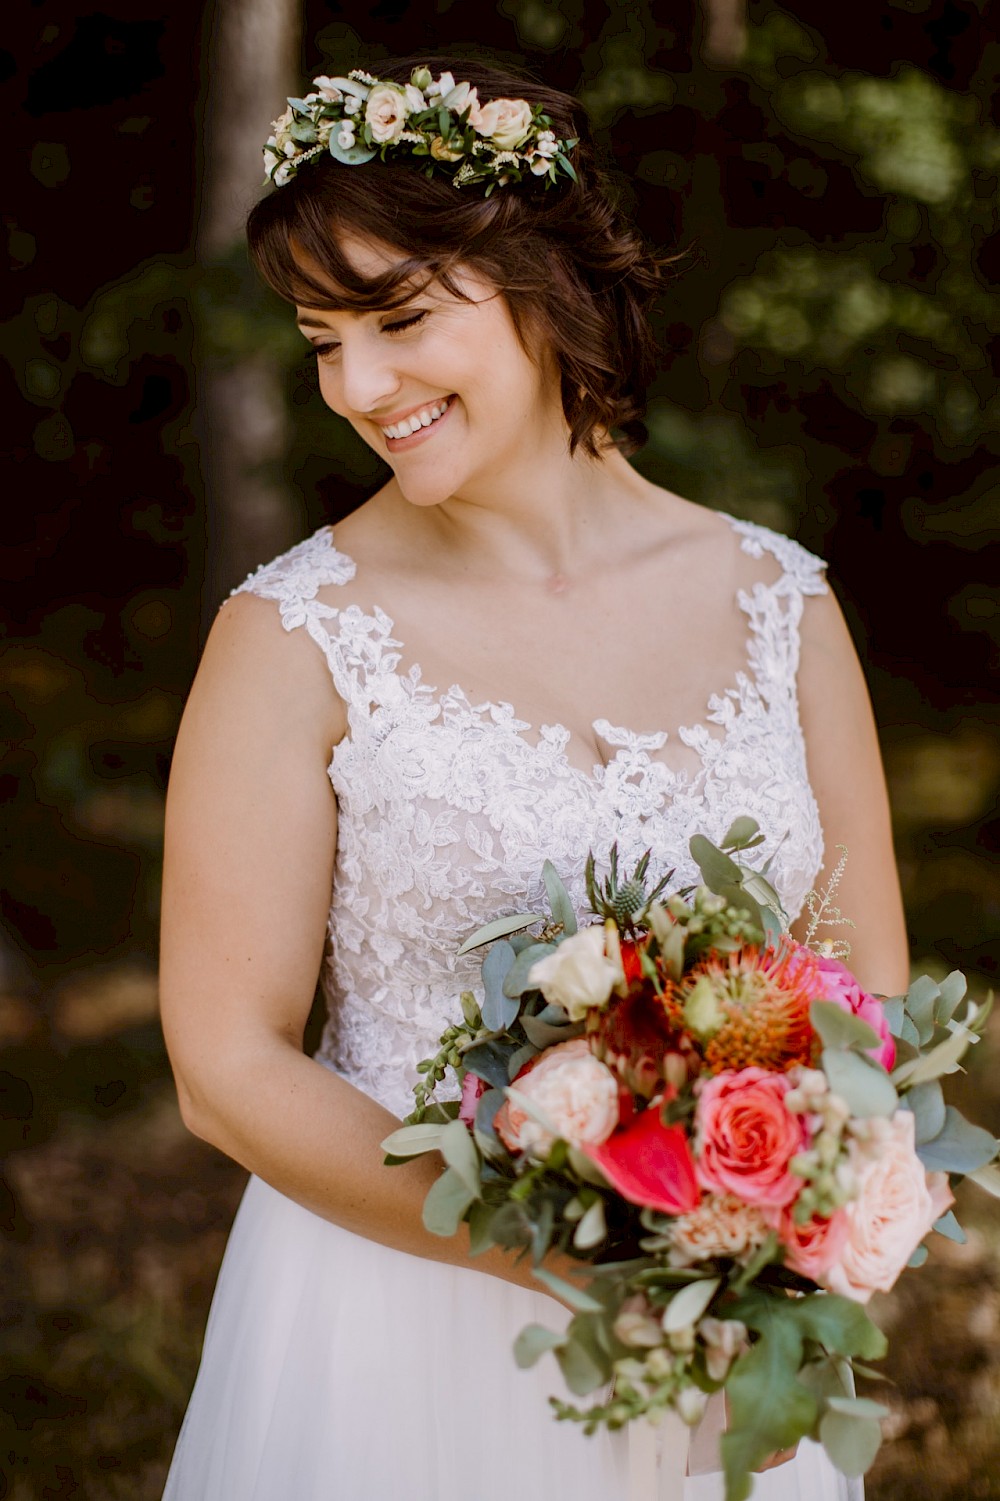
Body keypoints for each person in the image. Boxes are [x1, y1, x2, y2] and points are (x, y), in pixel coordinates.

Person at [159, 54, 907, 1500]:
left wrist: (770, 1232)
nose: (359, 386)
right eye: (322, 339)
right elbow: (225, 1066)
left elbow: (861, 973)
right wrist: (574, 1248)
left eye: (399, 319)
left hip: (724, 1328)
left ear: (545, 278)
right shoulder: (292, 637)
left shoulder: (780, 600)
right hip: (392, 1331)